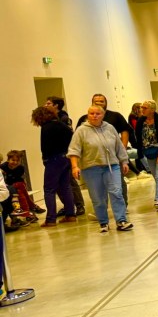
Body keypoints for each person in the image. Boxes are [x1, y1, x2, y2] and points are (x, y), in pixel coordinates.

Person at [68, 105, 133, 233]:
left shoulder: (110, 128)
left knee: (116, 192)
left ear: (103, 115)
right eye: (91, 113)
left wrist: (124, 161)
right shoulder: (81, 131)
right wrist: (75, 166)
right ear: (88, 115)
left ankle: (121, 220)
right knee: (98, 198)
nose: (94, 116)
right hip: (91, 168)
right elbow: (74, 150)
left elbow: (119, 146)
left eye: (98, 113)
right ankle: (103, 222)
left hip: (112, 166)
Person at [77, 94, 132, 207]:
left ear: (106, 103)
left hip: (113, 157)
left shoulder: (115, 116)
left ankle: (122, 207)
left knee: (118, 184)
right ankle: (102, 209)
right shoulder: (84, 119)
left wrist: (123, 148)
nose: (98, 103)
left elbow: (124, 131)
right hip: (93, 160)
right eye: (96, 101)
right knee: (98, 187)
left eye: (101, 101)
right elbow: (78, 139)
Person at [32, 106, 77, 227]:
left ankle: (51, 219)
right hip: (66, 157)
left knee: (49, 189)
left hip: (53, 159)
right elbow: (72, 138)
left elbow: (45, 147)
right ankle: (71, 214)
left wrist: (45, 160)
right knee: (66, 187)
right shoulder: (61, 124)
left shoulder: (46, 127)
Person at [44, 96, 85, 215]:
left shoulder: (63, 119)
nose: (45, 105)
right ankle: (68, 207)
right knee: (59, 184)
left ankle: (79, 205)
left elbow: (70, 136)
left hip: (64, 155)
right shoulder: (49, 119)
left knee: (70, 182)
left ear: (56, 106)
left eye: (48, 103)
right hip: (54, 156)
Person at [0, 151, 44, 220]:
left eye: (17, 161)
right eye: (13, 160)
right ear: (8, 160)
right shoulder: (3, 166)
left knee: (20, 187)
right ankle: (31, 208)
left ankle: (27, 212)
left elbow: (17, 179)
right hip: (9, 186)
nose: (15, 162)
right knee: (19, 190)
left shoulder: (20, 168)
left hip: (18, 185)